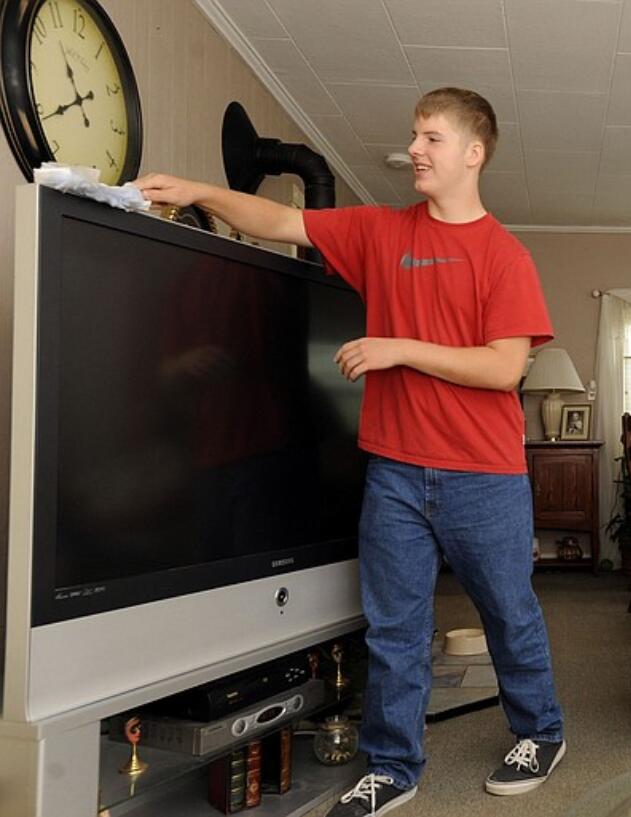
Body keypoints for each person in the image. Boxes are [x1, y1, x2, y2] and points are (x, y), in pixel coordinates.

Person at [136, 87, 565, 817]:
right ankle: (393, 765)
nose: (415, 150)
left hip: (483, 475)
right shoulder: (380, 230)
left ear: (473, 152)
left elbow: (504, 367)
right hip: (395, 470)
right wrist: (198, 189)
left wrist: (400, 348)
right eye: (414, 135)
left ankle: (541, 730)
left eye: (431, 137)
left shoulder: (504, 255)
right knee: (394, 626)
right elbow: (282, 219)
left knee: (507, 612)